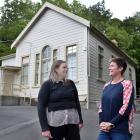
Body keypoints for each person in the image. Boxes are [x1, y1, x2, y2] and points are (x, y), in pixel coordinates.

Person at [37, 60, 83, 140]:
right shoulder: (47, 85)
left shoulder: (71, 83)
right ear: (56, 69)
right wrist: (44, 128)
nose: (66, 69)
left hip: (72, 123)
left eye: (67, 67)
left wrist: (80, 120)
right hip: (55, 125)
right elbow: (41, 106)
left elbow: (76, 102)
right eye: (64, 67)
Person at [98, 58, 135, 140]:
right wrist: (101, 122)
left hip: (120, 129)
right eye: (109, 66)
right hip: (105, 129)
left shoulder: (127, 84)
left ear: (120, 68)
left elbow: (126, 107)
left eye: (112, 66)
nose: (109, 68)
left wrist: (112, 123)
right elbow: (101, 106)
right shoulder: (106, 86)